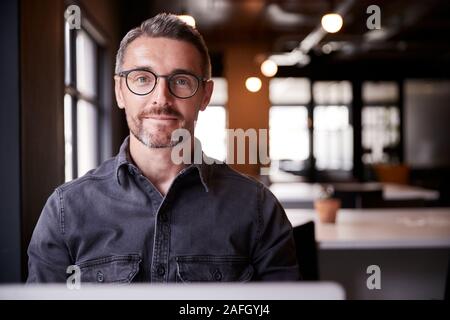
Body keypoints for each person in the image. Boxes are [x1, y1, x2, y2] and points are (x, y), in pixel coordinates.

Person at [27, 13, 299, 283]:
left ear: (205, 96)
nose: (161, 98)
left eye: (181, 80)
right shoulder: (66, 210)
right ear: (120, 91)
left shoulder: (258, 208)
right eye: (143, 79)